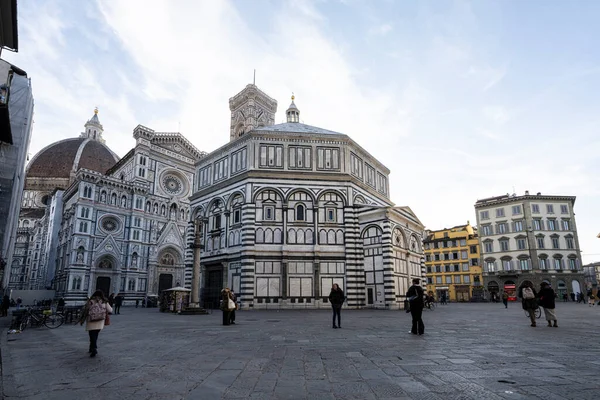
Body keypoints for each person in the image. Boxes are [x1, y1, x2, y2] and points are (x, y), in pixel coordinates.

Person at [79, 290, 112, 357]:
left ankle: (93, 348)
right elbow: (110, 310)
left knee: (91, 334)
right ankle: (92, 347)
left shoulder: (90, 301)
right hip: (99, 320)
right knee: (95, 334)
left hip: (91, 320)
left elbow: (85, 310)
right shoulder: (104, 301)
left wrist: (82, 319)